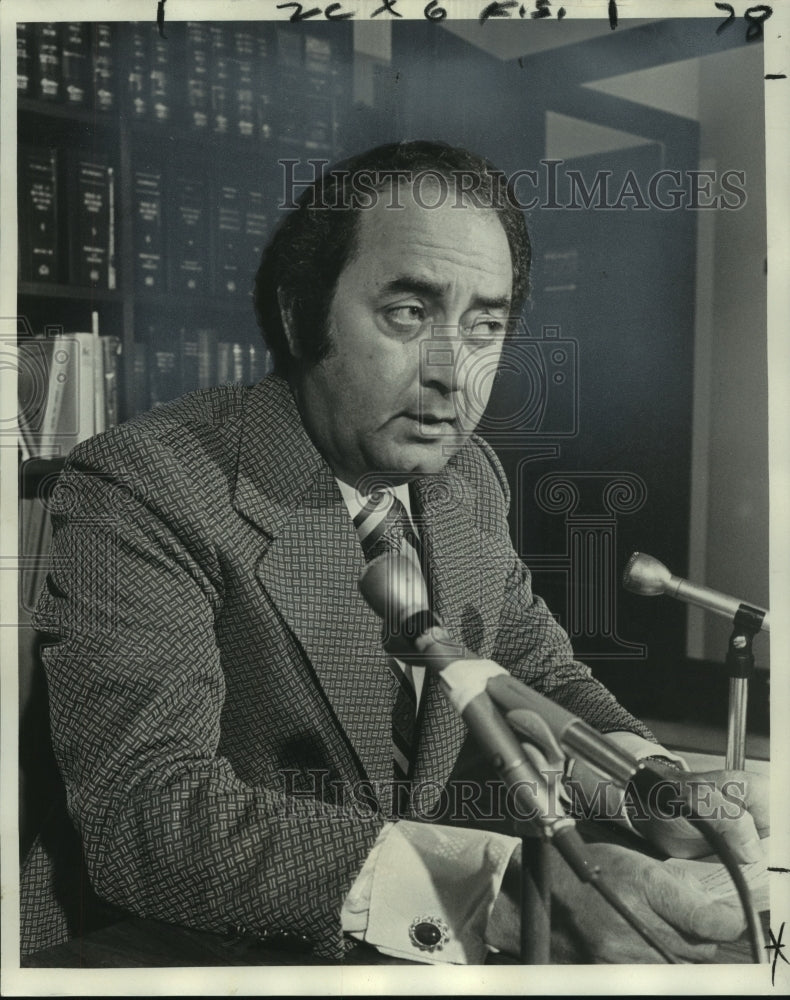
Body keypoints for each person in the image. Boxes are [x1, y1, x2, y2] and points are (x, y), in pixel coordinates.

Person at [22, 141, 767, 965]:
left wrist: (651, 787)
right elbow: (150, 814)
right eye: (409, 313)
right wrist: (511, 896)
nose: (454, 373)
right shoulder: (144, 481)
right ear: (302, 313)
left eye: (486, 323)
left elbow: (536, 670)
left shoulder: (466, 476)